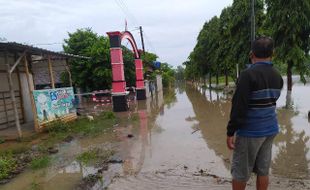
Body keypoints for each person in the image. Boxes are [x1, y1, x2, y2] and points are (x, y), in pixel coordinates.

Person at [226, 36, 283, 190]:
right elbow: (272, 101)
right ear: (273, 53)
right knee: (263, 171)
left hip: (250, 132)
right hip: (270, 130)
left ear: (251, 54)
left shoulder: (247, 74)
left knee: (240, 173)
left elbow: (239, 106)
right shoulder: (278, 75)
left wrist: (230, 131)